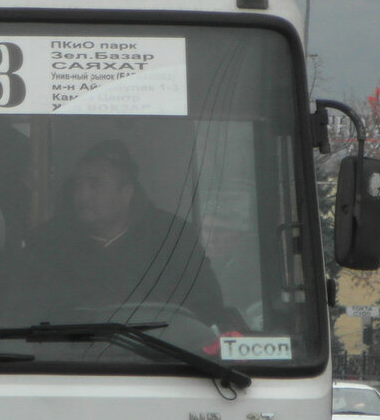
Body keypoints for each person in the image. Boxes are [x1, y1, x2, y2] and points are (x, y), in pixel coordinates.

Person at [22, 140, 233, 331]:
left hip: (164, 360)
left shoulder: (173, 238)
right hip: (62, 364)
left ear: (126, 192)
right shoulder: (45, 244)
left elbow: (207, 311)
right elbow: (23, 316)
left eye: (94, 184)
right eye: (77, 186)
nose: (82, 195)